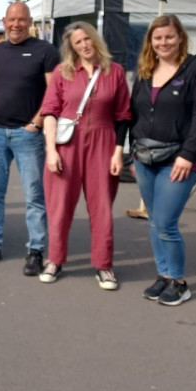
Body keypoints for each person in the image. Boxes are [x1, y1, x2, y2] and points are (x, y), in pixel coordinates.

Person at [131, 14, 196, 306]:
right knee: (154, 222)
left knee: (166, 223)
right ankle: (164, 275)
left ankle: (179, 282)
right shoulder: (145, 70)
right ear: (150, 42)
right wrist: (132, 151)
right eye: (158, 38)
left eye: (169, 36)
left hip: (178, 160)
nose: (163, 42)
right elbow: (135, 115)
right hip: (144, 157)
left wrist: (188, 155)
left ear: (180, 37)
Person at [39, 22, 131, 289]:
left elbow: (123, 115)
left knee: (101, 207)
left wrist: (118, 153)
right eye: (78, 42)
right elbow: (50, 112)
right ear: (72, 47)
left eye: (87, 39)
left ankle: (104, 265)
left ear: (95, 39)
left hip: (103, 143)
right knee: (60, 208)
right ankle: (54, 260)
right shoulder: (62, 72)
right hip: (67, 144)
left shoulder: (114, 72)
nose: (85, 45)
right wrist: (51, 151)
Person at [0, 1, 59, 275]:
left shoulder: (45, 51)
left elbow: (53, 92)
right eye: (11, 20)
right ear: (4, 21)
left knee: (34, 195)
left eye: (21, 20)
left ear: (29, 21)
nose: (16, 25)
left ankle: (35, 249)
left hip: (28, 134)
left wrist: (36, 122)